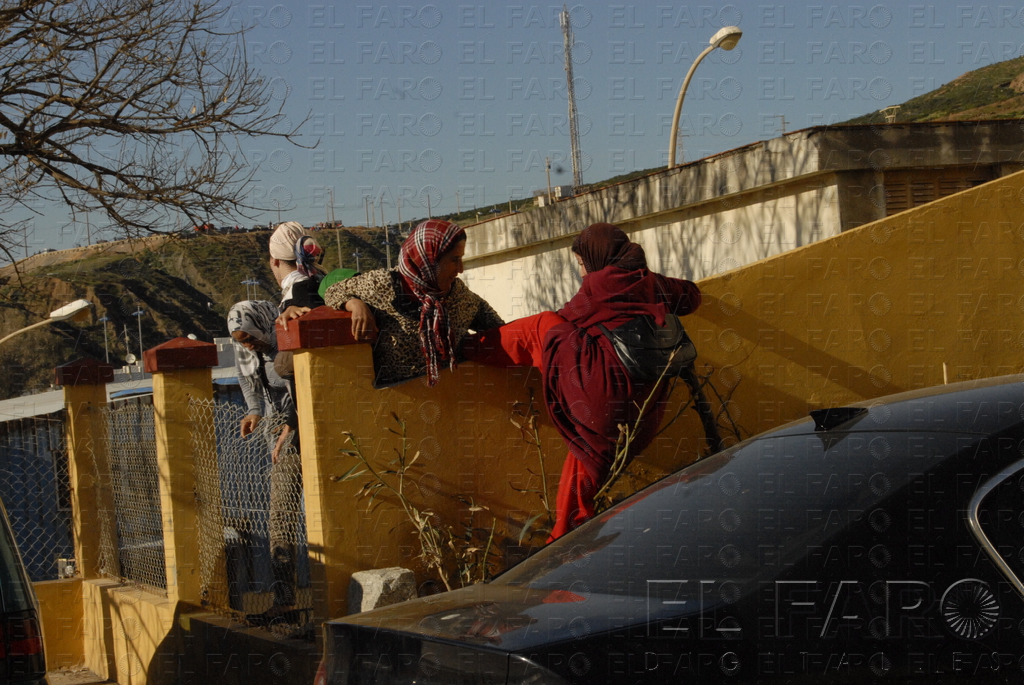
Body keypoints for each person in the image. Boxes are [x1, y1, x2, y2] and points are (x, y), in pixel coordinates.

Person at [463, 223, 701, 540]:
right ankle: (564, 537)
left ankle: (464, 347)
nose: (581, 272)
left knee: (543, 326)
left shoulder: (596, 286)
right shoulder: (653, 283)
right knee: (582, 459)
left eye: (580, 263)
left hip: (606, 393)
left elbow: (567, 320)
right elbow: (692, 296)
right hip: (646, 408)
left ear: (593, 258)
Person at [312, 219, 505, 387]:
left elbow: (498, 330)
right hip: (397, 407)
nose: (461, 269)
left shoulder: (458, 293)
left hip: (450, 402)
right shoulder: (382, 285)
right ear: (429, 260)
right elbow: (333, 291)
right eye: (454, 260)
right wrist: (354, 303)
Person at [227, 300, 303, 624]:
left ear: (262, 325)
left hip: (300, 427)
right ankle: (284, 602)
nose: (248, 345)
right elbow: (248, 381)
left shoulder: (285, 339)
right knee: (281, 518)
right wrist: (254, 410)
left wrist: (290, 423)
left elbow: (300, 386)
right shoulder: (246, 349)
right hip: (279, 435)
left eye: (250, 338)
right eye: (242, 341)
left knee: (291, 516)